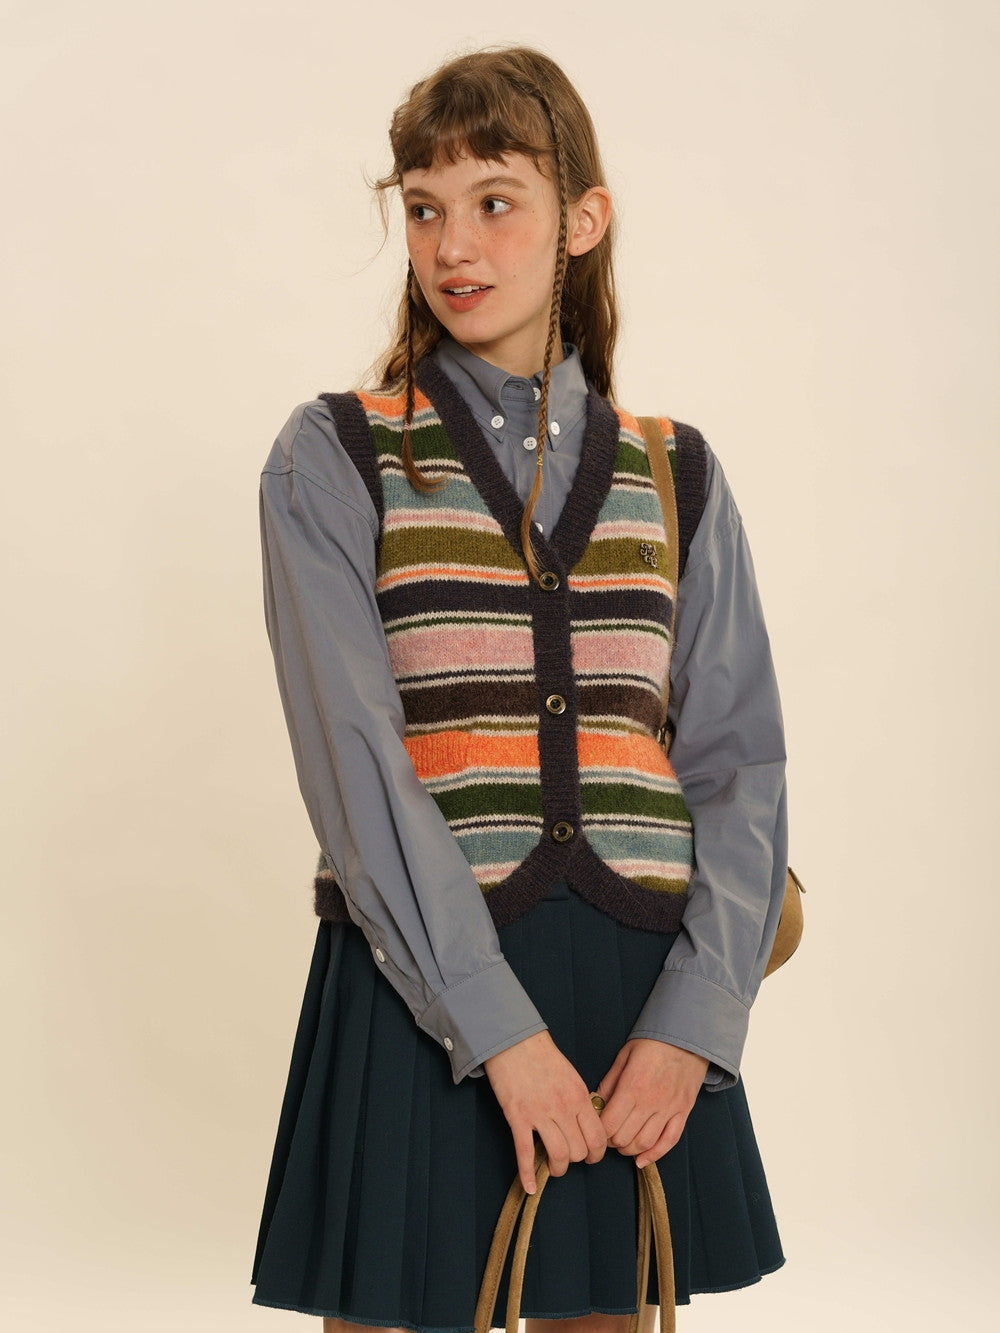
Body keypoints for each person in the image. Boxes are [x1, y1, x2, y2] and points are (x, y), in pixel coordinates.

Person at [251, 45, 788, 1333]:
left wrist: (696, 1022)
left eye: (496, 201)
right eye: (424, 208)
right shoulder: (336, 456)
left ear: (582, 221)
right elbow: (355, 767)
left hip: (638, 993)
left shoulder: (676, 471)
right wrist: (496, 1030)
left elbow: (740, 766)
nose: (453, 246)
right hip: (420, 982)